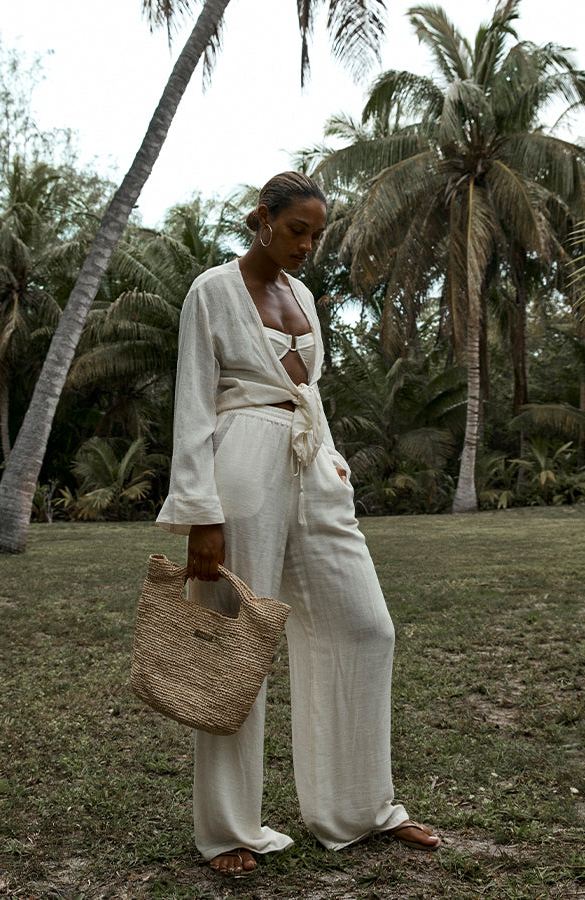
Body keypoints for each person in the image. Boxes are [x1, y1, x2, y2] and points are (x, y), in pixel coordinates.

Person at [157, 172, 441, 876]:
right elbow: (193, 405)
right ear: (262, 218)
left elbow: (307, 390)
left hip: (312, 464)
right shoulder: (212, 290)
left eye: (316, 234)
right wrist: (201, 514)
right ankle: (228, 831)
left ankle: (360, 809)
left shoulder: (304, 295)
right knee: (235, 648)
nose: (307, 245)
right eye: (296, 230)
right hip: (240, 466)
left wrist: (333, 461)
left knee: (365, 626)